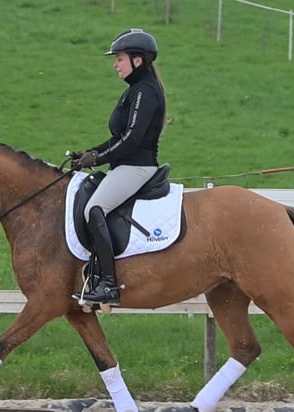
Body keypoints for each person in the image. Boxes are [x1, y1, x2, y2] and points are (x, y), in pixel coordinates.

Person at [70, 28, 167, 307]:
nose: (115, 64)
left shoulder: (145, 92)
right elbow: (117, 138)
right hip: (126, 165)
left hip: (137, 167)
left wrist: (97, 160)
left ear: (138, 60)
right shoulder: (135, 91)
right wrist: (90, 153)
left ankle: (109, 284)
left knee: (94, 209)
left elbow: (132, 139)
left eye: (120, 58)